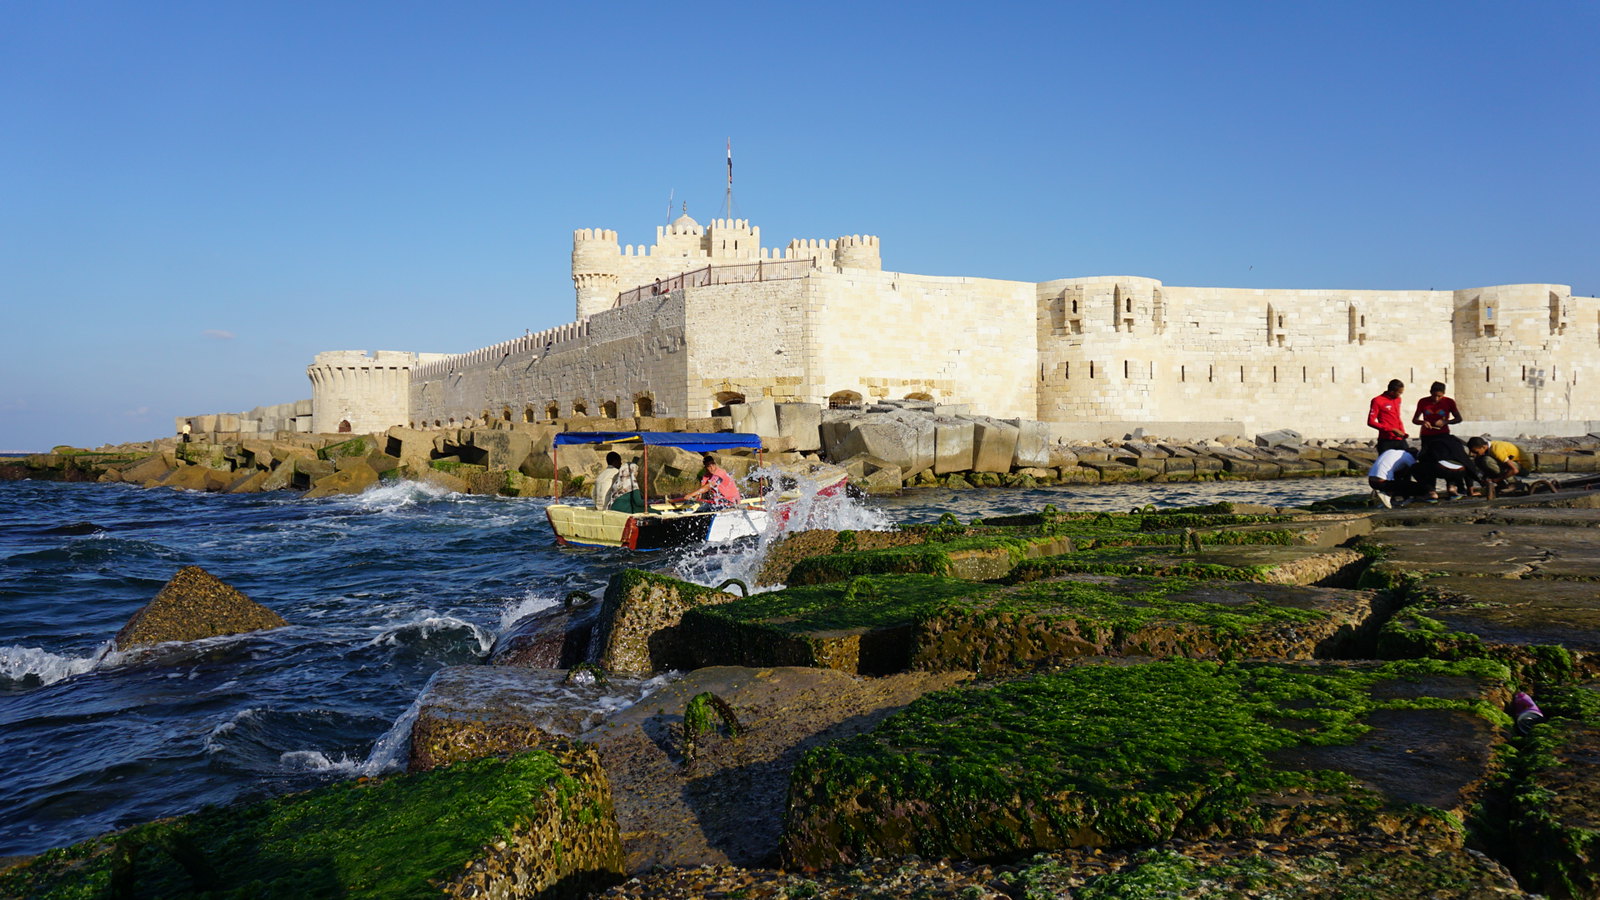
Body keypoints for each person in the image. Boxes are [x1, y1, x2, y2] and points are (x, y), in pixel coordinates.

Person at [1416, 433, 1483, 498]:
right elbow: (1469, 466)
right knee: (1453, 465)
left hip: (1441, 468)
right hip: (1459, 470)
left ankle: (1431, 492)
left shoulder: (1431, 442)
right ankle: (1452, 487)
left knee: (1420, 467)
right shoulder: (1456, 444)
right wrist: (1471, 491)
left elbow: (1422, 457)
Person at [1413, 382, 1463, 461]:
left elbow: (1459, 418)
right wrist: (1422, 422)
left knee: (1442, 457)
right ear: (1430, 393)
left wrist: (1445, 422)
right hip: (1427, 435)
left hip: (1442, 434)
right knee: (1425, 458)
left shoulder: (1449, 402)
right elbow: (1415, 420)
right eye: (1434, 395)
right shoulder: (1423, 401)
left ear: (1443, 394)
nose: (1436, 398)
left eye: (1439, 396)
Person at [1468, 437, 1532, 492]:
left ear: (1483, 447)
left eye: (1475, 452)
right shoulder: (1487, 449)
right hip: (1511, 466)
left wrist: (1497, 479)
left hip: (1524, 467)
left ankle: (1514, 484)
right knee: (1478, 460)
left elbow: (1514, 470)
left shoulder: (1496, 450)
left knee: (1487, 461)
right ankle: (1502, 485)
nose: (1473, 454)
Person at [1368, 379, 1409, 453]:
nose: (1400, 395)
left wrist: (1403, 432)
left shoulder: (1398, 399)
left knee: (1408, 460)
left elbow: (1397, 417)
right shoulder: (1377, 400)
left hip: (1400, 438)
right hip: (1386, 440)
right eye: (1399, 392)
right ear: (1392, 391)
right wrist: (1392, 429)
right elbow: (1371, 422)